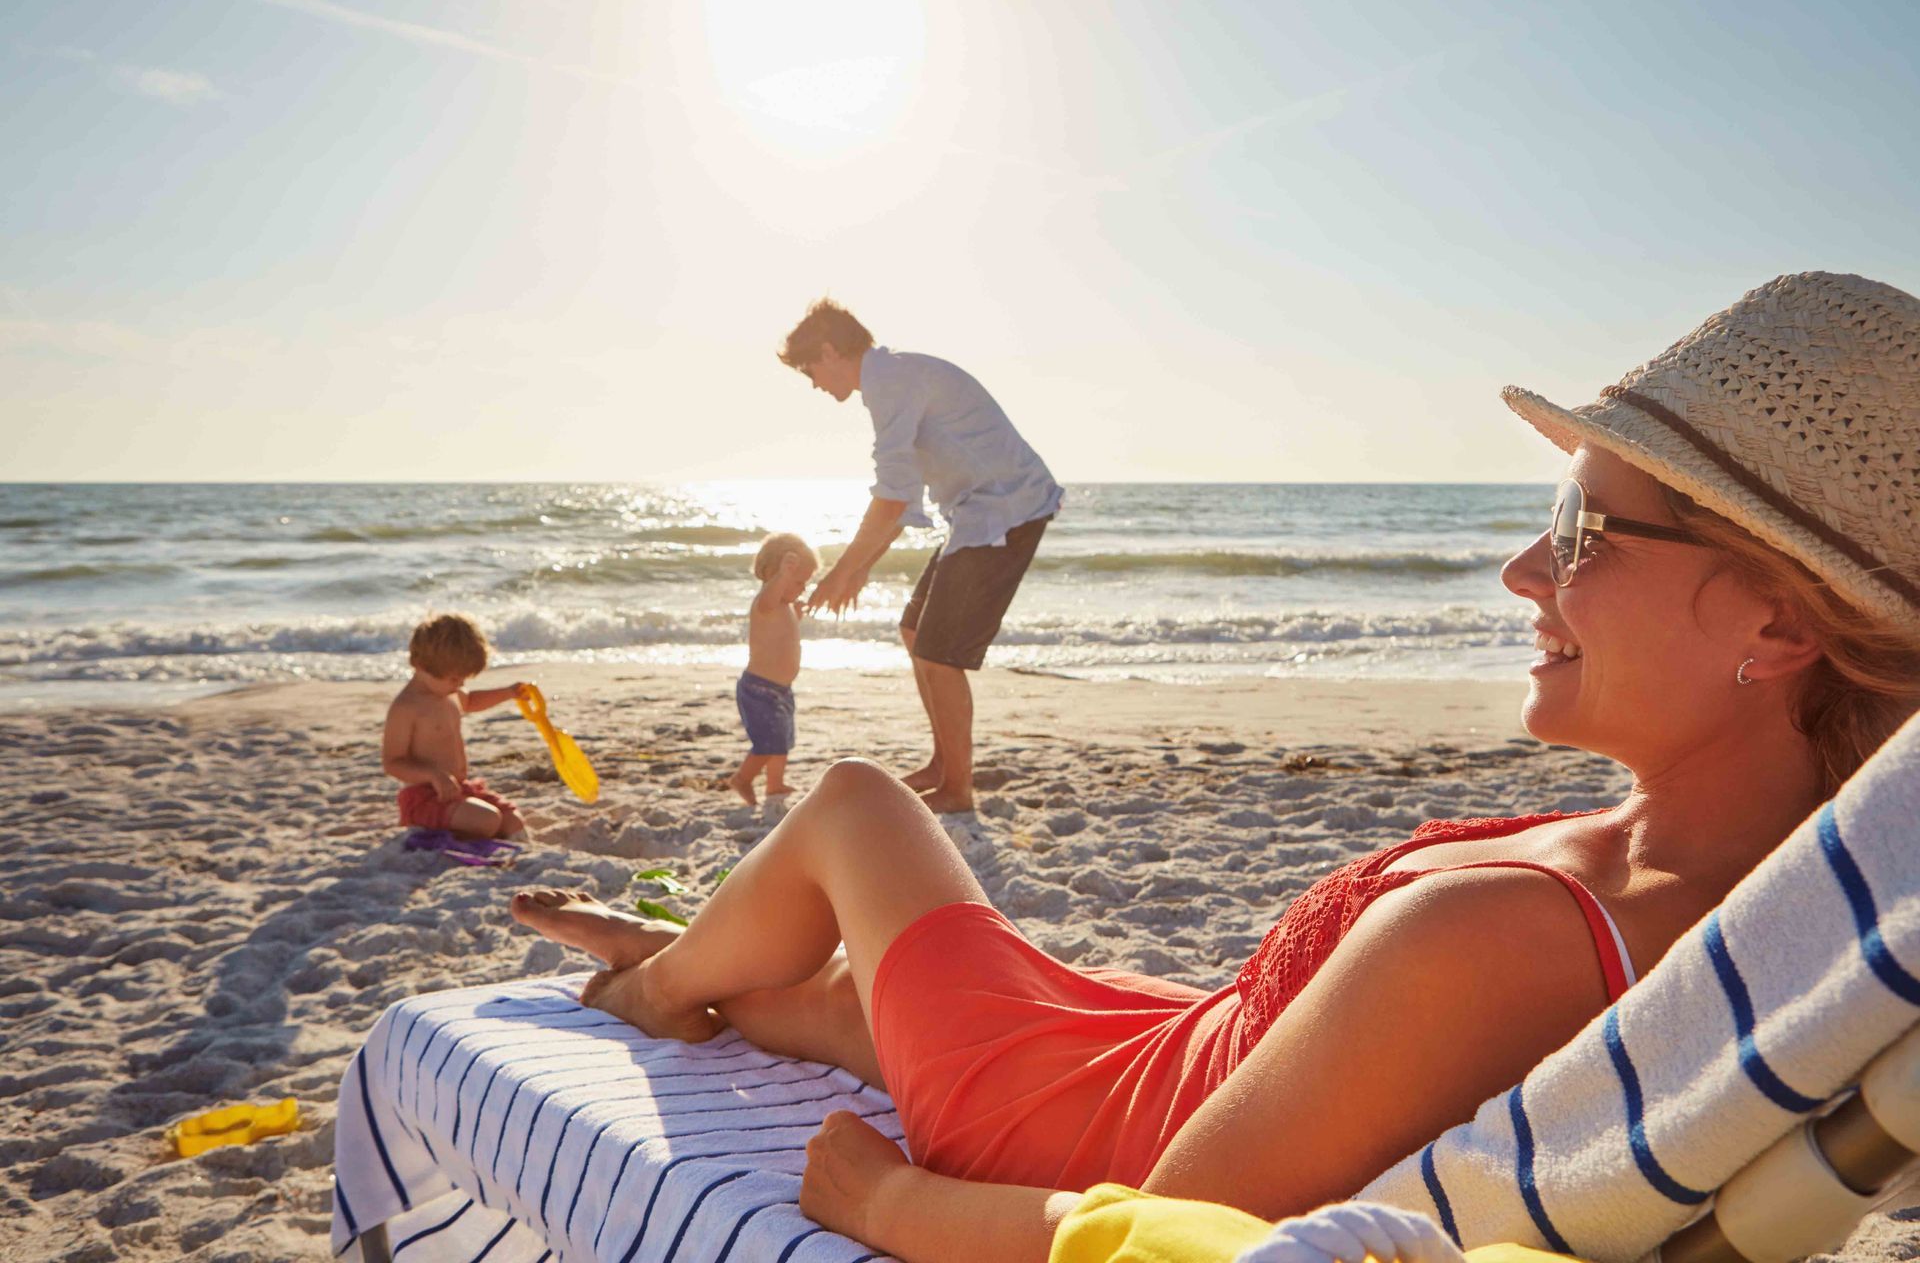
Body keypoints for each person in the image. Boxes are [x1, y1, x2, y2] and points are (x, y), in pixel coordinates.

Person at [511, 272, 1920, 1262]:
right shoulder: (1721, 896)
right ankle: (695, 966)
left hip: (1068, 1130)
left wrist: (887, 1208)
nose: (1518, 568)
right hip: (1164, 1047)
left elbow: (1179, 1248)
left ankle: (648, 986)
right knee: (825, 999)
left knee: (856, 803)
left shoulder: (1505, 935)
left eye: (1584, 532)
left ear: (1782, 619)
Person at [780, 299, 1064, 813]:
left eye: (811, 370)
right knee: (916, 634)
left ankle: (958, 789)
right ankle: (943, 766)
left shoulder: (892, 380)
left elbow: (891, 497)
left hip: (1006, 511)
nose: (815, 384)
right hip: (978, 512)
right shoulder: (891, 379)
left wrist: (844, 572)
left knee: (939, 653)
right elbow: (902, 496)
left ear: (829, 350)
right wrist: (857, 568)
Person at [383, 614, 529, 840]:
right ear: (421, 666)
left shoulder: (448, 692)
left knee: (513, 822)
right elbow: (392, 762)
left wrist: (509, 693)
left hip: (459, 789)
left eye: (463, 678)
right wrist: (434, 776)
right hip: (426, 797)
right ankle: (430, 832)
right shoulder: (407, 707)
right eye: (454, 679)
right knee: (488, 820)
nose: (460, 684)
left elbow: (470, 702)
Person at [732, 533, 819, 806]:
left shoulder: (785, 606)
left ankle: (774, 784)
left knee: (782, 742)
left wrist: (798, 614)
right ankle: (742, 779)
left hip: (781, 689)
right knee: (767, 744)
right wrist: (783, 575)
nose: (802, 588)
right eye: (798, 581)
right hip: (759, 689)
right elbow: (770, 598)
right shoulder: (765, 602)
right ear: (774, 573)